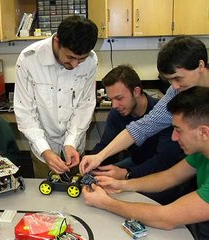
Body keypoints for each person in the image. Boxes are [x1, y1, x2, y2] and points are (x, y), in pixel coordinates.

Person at [82, 86, 209, 240]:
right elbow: (170, 177)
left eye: (178, 130)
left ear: (203, 132)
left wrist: (107, 203)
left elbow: (166, 217)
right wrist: (121, 184)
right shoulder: (202, 150)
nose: (174, 138)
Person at [80, 35, 209, 175]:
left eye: (178, 78)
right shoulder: (177, 91)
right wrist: (99, 156)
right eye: (170, 81)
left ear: (200, 66)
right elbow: (143, 126)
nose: (175, 86)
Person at [14, 15, 98, 178]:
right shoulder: (28, 60)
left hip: (74, 147)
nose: (75, 65)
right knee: (46, 195)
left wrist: (71, 142)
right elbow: (25, 112)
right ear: (57, 41)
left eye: (81, 59)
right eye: (70, 57)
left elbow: (85, 106)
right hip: (43, 145)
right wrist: (44, 150)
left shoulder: (91, 61)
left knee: (75, 193)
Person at [90, 64, 188, 204]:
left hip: (163, 168)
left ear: (136, 91)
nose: (114, 105)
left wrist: (126, 174)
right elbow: (106, 145)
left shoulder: (165, 114)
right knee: (101, 176)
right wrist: (93, 162)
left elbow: (163, 162)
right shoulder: (117, 113)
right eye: (111, 99)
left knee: (132, 198)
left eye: (119, 98)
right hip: (136, 161)